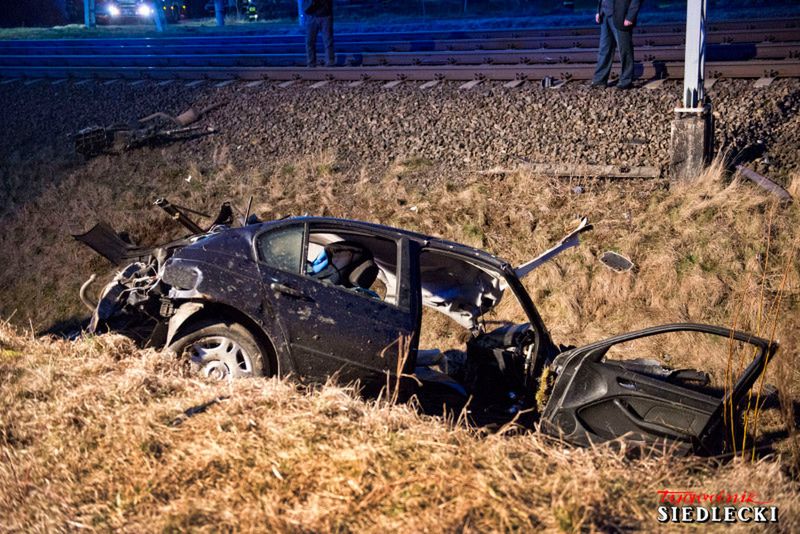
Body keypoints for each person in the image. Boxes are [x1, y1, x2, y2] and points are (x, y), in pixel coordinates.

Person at [591, 0, 642, 89]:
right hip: (605, 15)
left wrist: (630, 16)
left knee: (625, 50)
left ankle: (625, 81)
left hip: (622, 15)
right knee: (604, 49)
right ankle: (599, 80)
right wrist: (598, 11)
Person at [302, 0, 335, 67]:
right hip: (311, 16)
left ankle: (330, 62)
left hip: (325, 15)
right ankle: (311, 62)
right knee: (309, 41)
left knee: (328, 41)